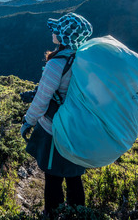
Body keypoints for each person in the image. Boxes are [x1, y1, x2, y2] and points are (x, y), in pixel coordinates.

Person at [19, 12, 93, 217]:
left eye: (57, 30)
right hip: (77, 127)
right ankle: (79, 214)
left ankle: (52, 214)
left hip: (55, 129)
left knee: (52, 176)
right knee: (74, 176)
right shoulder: (83, 59)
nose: (53, 32)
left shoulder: (56, 64)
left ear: (64, 36)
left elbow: (42, 100)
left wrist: (28, 121)